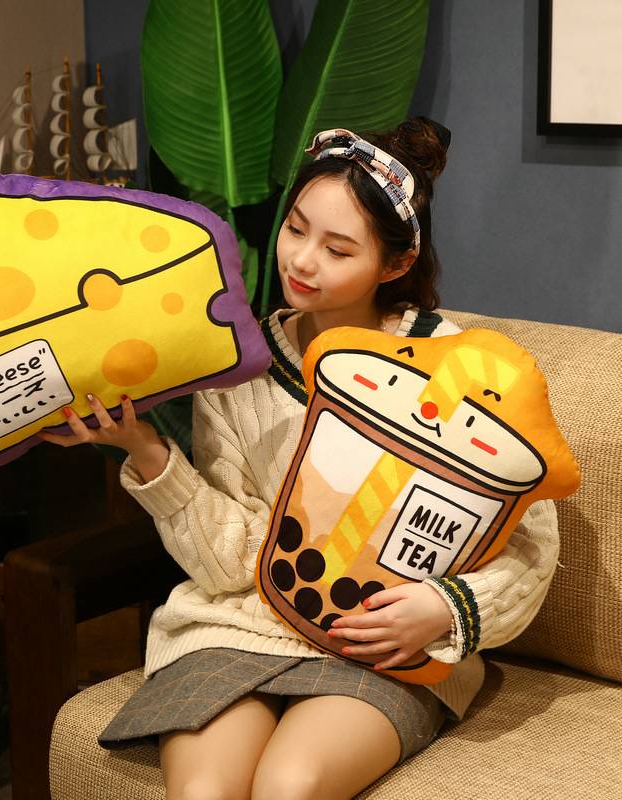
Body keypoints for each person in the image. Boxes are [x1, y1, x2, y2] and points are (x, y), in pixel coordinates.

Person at [37, 117, 559, 800]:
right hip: (239, 624)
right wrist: (147, 450)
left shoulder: (458, 368)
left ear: (396, 264)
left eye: (337, 249)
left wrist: (443, 608)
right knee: (203, 794)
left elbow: (530, 541)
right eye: (295, 229)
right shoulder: (241, 368)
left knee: (289, 785)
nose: (302, 261)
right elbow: (230, 566)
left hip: (379, 643)